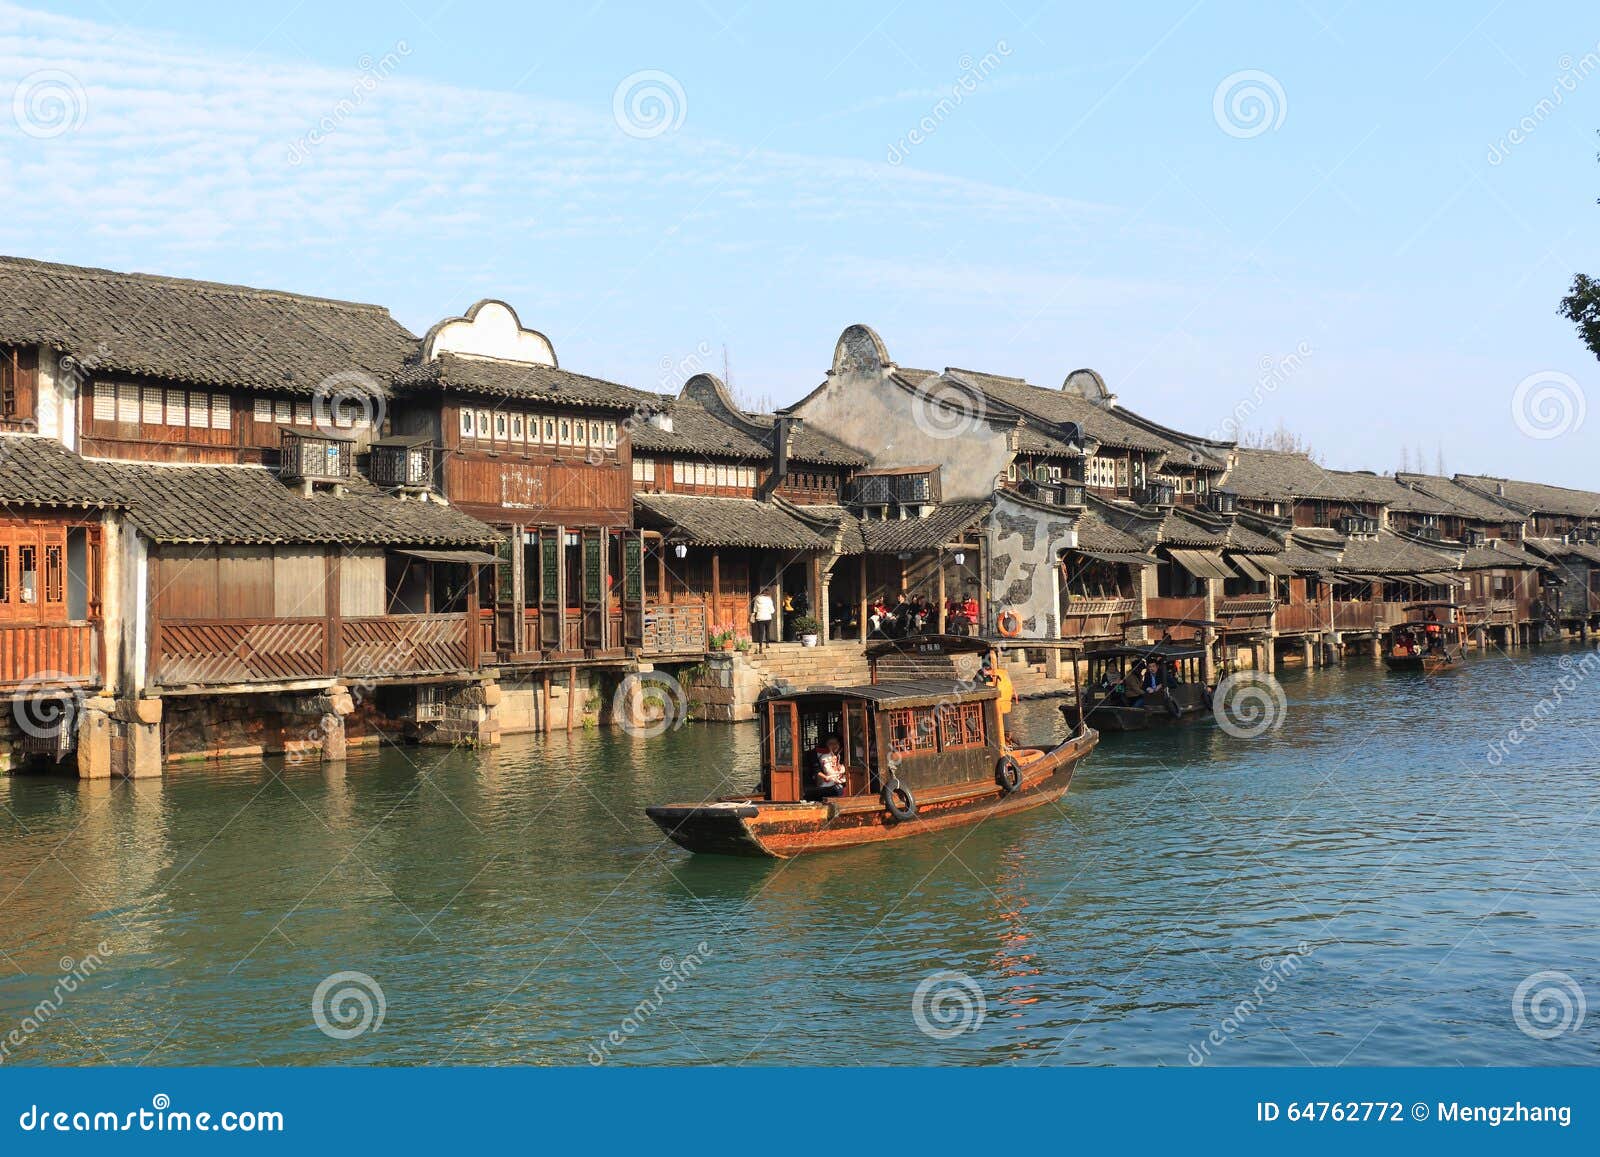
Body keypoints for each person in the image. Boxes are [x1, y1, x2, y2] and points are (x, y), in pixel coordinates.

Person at [979, 649, 1016, 749]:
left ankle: (1007, 743)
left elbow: (1011, 689)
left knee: (1004, 730)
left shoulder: (1001, 673)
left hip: (1000, 707)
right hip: (994, 709)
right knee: (1001, 730)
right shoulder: (984, 675)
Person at [803, 734, 846, 801]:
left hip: (840, 781)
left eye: (836, 743)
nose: (834, 745)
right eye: (831, 744)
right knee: (838, 790)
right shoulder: (823, 756)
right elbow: (821, 771)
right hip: (827, 784)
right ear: (826, 745)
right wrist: (826, 777)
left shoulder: (841, 755)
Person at [751, 588, 776, 654]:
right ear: (768, 593)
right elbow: (772, 611)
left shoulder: (757, 599)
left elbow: (755, 609)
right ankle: (767, 644)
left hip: (760, 617)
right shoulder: (769, 600)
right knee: (767, 631)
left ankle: (760, 646)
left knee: (760, 632)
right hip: (767, 617)